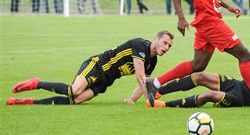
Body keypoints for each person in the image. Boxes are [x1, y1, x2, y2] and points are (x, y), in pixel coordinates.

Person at [7, 31, 174, 105]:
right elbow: (139, 77)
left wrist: (132, 99)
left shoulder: (152, 62)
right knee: (74, 91)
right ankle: (36, 83)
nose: (166, 47)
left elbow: (142, 82)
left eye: (169, 46)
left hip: (106, 81)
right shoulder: (140, 45)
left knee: (76, 100)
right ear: (156, 39)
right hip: (98, 66)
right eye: (165, 42)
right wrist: (150, 100)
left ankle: (30, 102)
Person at [149, 34, 250, 108]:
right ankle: (158, 92)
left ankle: (163, 105)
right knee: (199, 76)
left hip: (246, 99)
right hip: (238, 86)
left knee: (208, 95)